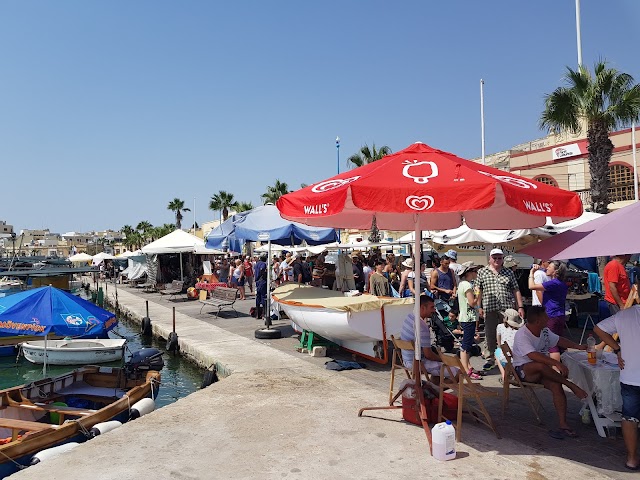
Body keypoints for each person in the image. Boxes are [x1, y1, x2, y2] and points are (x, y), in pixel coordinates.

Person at [511, 305, 587, 438]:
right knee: (539, 365)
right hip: (523, 370)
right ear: (538, 321)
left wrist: (578, 346)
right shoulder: (522, 335)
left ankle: (563, 424)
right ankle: (572, 386)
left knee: (556, 385)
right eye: (545, 316)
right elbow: (532, 355)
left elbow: (559, 340)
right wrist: (556, 363)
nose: (548, 318)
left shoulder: (544, 330)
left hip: (542, 370)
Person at [594, 305, 640, 470]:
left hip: (630, 375)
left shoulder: (624, 315)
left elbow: (598, 329)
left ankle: (632, 459)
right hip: (630, 375)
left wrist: (617, 348)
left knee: (629, 418)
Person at [476, 248, 525, 371]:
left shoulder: (508, 272)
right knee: (490, 334)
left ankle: (508, 357)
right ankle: (491, 358)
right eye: (495, 258)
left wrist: (520, 306)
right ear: (490, 259)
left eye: (500, 258)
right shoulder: (482, 272)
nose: (497, 260)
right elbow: (478, 290)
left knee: (508, 333)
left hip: (506, 309)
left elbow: (516, 290)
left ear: (503, 259)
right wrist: (478, 306)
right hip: (490, 308)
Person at [400, 294, 459, 383]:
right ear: (423, 308)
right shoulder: (422, 327)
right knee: (458, 373)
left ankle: (432, 390)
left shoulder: (409, 317)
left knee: (438, 365)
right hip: (417, 363)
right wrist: (443, 359)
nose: (434, 310)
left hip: (406, 360)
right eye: (432, 307)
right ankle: (434, 390)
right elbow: (429, 355)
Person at [528, 260, 569, 364]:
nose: (546, 268)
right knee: (559, 341)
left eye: (549, 267)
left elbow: (531, 287)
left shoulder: (553, 283)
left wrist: (531, 273)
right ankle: (563, 366)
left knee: (552, 344)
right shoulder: (562, 283)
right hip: (560, 315)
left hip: (551, 315)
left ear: (555, 272)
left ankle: (556, 369)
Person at [457, 261, 482, 379]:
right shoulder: (467, 285)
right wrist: (478, 293)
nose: (476, 273)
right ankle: (465, 369)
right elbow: (472, 303)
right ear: (469, 272)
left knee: (467, 344)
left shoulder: (462, 284)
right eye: (475, 271)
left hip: (466, 317)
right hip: (468, 318)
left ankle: (467, 366)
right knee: (466, 345)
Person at [494, 308, 523, 382]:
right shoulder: (520, 331)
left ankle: (504, 374)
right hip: (518, 361)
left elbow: (499, 343)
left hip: (506, 360)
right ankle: (513, 374)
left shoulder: (500, 327)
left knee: (497, 351)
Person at [254, 254, 268, 318]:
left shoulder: (256, 264)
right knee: (263, 296)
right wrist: (264, 275)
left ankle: (257, 313)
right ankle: (264, 314)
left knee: (258, 297)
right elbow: (262, 269)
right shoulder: (263, 264)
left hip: (257, 281)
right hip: (262, 281)